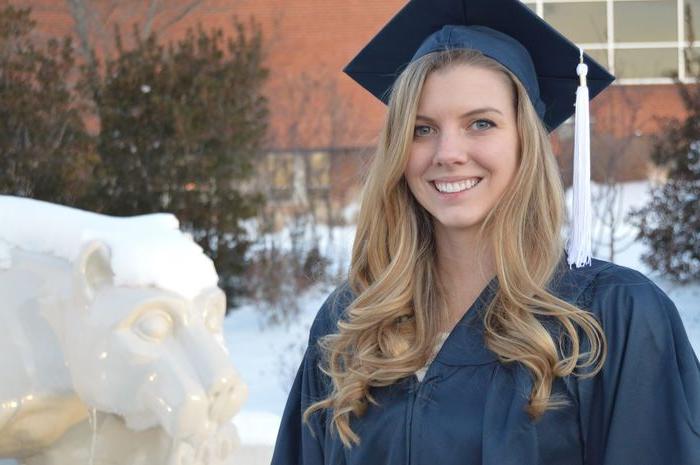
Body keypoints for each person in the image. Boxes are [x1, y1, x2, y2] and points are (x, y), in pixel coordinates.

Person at [271, 0, 700, 464]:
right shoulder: (351, 322)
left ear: (527, 141)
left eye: (481, 123)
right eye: (422, 129)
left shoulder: (611, 318)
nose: (448, 152)